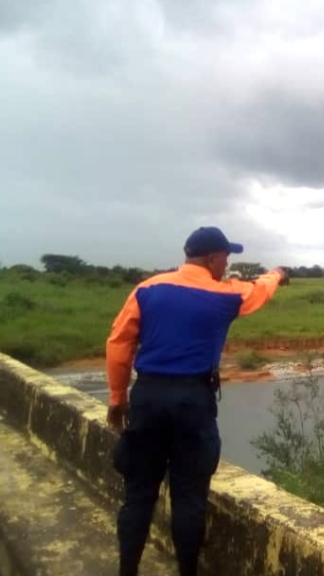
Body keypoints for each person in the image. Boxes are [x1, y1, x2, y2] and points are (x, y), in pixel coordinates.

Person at [105, 226, 288, 576]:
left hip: (148, 396)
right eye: (226, 258)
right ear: (213, 258)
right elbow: (261, 289)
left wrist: (117, 399)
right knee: (189, 497)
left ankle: (127, 571)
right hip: (193, 399)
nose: (227, 264)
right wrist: (278, 274)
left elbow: (118, 344)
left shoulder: (147, 289)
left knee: (139, 493)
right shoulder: (228, 295)